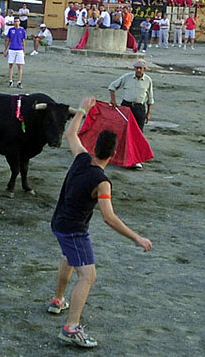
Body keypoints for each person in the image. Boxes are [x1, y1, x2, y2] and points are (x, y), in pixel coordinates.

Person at [48, 97, 152, 348]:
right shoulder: (102, 182)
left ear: (93, 145)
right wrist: (137, 237)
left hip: (59, 223)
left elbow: (72, 133)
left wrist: (83, 108)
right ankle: (71, 328)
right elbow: (109, 217)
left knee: (69, 259)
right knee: (88, 276)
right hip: (74, 230)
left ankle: (58, 300)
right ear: (114, 153)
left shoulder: (81, 157)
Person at [108, 59, 154, 168]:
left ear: (144, 69)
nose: (138, 70)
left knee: (138, 133)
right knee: (123, 132)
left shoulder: (148, 80)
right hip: (126, 107)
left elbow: (150, 99)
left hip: (140, 108)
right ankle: (119, 155)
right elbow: (112, 86)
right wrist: (113, 100)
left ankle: (136, 158)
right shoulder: (126, 77)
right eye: (136, 68)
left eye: (140, 68)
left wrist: (148, 113)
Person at [4, 16, 26, 88]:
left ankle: (19, 81)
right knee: (11, 65)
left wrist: (23, 50)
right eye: (15, 21)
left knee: (19, 66)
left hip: (19, 49)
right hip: (12, 49)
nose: (16, 23)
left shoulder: (22, 30)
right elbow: (7, 40)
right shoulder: (11, 30)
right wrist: (5, 50)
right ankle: (10, 80)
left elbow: (23, 41)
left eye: (17, 21)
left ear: (19, 22)